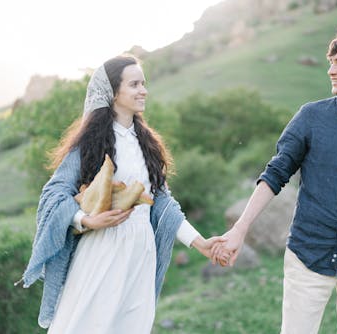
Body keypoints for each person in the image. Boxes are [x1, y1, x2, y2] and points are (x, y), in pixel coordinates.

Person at [213, 29, 337, 334]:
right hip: (307, 255)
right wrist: (240, 229)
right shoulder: (309, 117)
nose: (331, 69)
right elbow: (275, 174)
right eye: (331, 62)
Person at [19, 54, 229, 333]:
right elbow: (54, 194)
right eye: (134, 84)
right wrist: (85, 219)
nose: (143, 90)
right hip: (103, 248)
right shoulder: (91, 143)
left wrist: (200, 243)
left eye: (143, 83)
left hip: (141, 252)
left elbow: (163, 204)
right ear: (113, 92)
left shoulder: (147, 143)